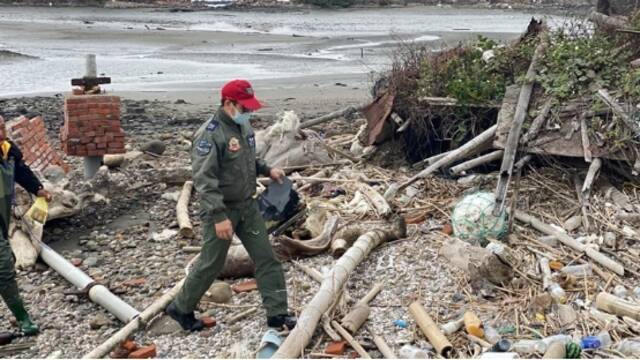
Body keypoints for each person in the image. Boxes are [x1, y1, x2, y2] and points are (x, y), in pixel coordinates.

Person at [166, 80, 296, 332]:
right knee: (212, 263)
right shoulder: (210, 134)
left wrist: (268, 170)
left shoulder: (243, 127)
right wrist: (218, 216)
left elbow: (248, 160)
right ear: (228, 103)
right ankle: (181, 307)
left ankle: (277, 314)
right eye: (244, 107)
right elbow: (204, 180)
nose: (249, 112)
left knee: (267, 257)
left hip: (247, 206)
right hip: (222, 210)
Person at [0, 116, 51, 336]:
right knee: (3, 268)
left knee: (4, 270)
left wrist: (38, 189)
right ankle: (23, 318)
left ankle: (23, 318)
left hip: (1, 219)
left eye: (1, 125)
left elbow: (21, 171)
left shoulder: (9, 151)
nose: (1, 130)